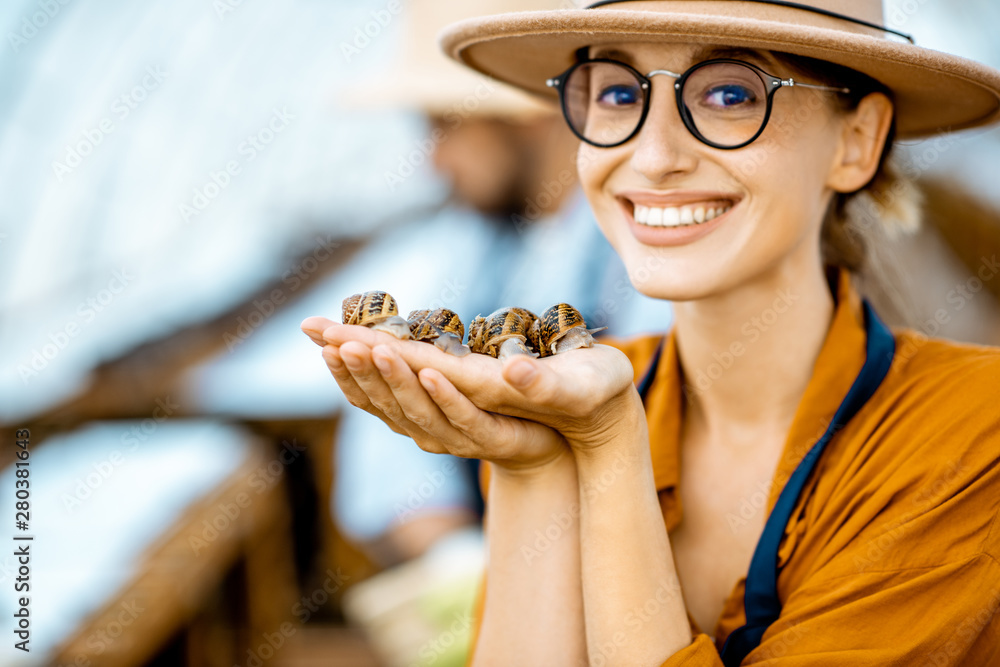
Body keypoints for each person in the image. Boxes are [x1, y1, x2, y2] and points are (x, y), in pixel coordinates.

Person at [304, 0, 1000, 664]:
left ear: (857, 140)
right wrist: (533, 465)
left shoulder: (972, 427)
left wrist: (608, 448)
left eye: (731, 94)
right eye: (617, 95)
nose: (654, 154)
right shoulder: (565, 398)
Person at [330, 0, 672, 570]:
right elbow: (385, 453)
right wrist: (452, 556)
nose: (434, 162)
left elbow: (657, 429)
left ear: (528, 112)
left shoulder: (644, 245)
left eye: (444, 126)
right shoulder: (475, 241)